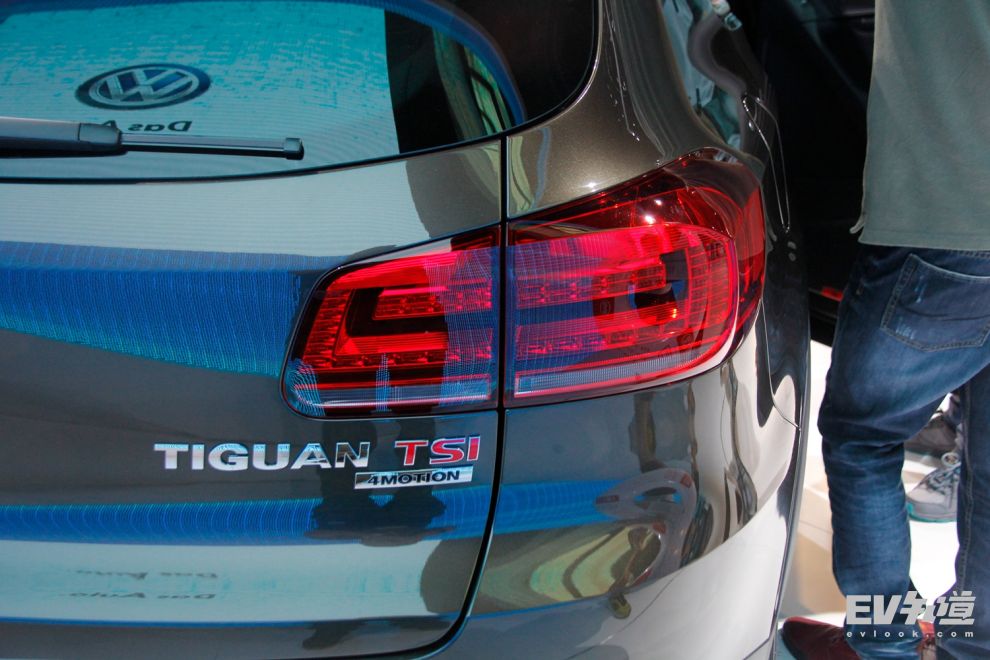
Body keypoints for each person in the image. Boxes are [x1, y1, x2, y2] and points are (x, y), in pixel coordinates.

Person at [781, 1, 990, 658]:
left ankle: (886, 645)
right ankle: (971, 647)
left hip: (947, 225)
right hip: (955, 228)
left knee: (862, 440)